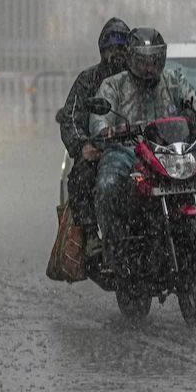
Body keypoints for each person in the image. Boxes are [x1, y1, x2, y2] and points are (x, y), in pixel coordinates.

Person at [89, 27, 196, 274]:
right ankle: (114, 249)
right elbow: (100, 117)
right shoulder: (113, 84)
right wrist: (104, 129)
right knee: (108, 184)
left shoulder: (174, 78)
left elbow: (195, 102)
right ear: (131, 59)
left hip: (170, 152)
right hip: (128, 151)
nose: (149, 67)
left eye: (154, 59)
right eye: (143, 60)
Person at [56, 17, 131, 240]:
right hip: (102, 151)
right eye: (112, 49)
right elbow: (71, 118)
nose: (117, 54)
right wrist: (83, 146)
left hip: (140, 150)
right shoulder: (88, 80)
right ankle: (90, 237)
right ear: (102, 51)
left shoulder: (142, 78)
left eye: (122, 48)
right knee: (81, 177)